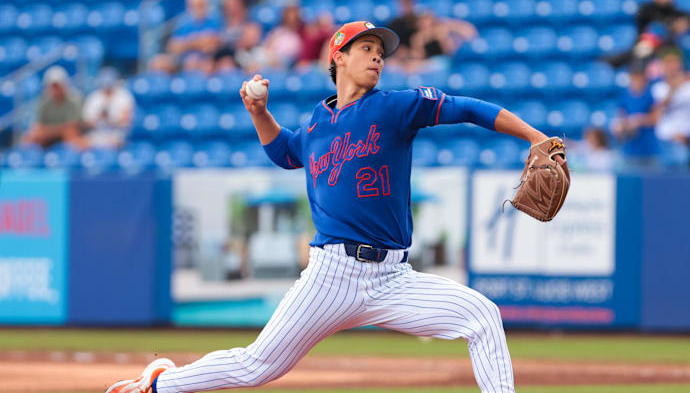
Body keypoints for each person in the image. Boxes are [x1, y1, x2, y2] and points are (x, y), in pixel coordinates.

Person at [105, 20, 561, 393]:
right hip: (331, 276)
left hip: (392, 278)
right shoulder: (319, 121)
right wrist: (258, 112)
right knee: (256, 366)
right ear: (338, 57)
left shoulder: (395, 107)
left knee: (483, 316)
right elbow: (285, 152)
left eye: (381, 50)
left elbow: (467, 108)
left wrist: (534, 137)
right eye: (366, 47)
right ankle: (160, 385)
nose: (378, 55)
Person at [651, 47, 690, 167]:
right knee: (681, 157)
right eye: (669, 63)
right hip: (668, 140)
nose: (673, 67)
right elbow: (658, 112)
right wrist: (675, 86)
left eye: (675, 62)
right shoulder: (658, 87)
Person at [150, 0, 221, 74]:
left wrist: (186, 43)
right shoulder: (184, 23)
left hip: (206, 60)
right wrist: (198, 41)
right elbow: (173, 46)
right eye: (193, 5)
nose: (197, 9)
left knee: (198, 62)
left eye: (200, 5)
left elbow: (212, 45)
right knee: (157, 62)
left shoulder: (214, 20)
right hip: (182, 60)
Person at [21, 66, 83, 149]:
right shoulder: (43, 102)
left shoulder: (74, 100)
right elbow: (38, 127)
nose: (56, 89)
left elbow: (72, 127)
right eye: (53, 86)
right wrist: (57, 131)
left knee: (72, 137)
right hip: (49, 136)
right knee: (28, 139)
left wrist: (48, 131)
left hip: (65, 135)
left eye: (57, 86)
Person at [611, 64, 659, 169]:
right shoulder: (625, 96)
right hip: (630, 150)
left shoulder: (649, 95)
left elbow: (655, 118)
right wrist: (622, 127)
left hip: (648, 150)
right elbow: (621, 117)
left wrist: (639, 120)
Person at [80, 67, 135, 149]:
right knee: (80, 144)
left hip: (117, 133)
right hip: (97, 133)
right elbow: (86, 123)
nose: (107, 88)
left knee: (115, 142)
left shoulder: (124, 95)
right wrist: (100, 116)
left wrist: (111, 118)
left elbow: (126, 121)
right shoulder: (94, 97)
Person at [213, 0, 262, 72]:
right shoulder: (220, 23)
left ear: (241, 3)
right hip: (225, 58)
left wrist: (226, 43)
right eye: (228, 1)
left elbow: (250, 40)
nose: (231, 5)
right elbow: (213, 43)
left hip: (246, 56)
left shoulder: (250, 20)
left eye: (234, 1)